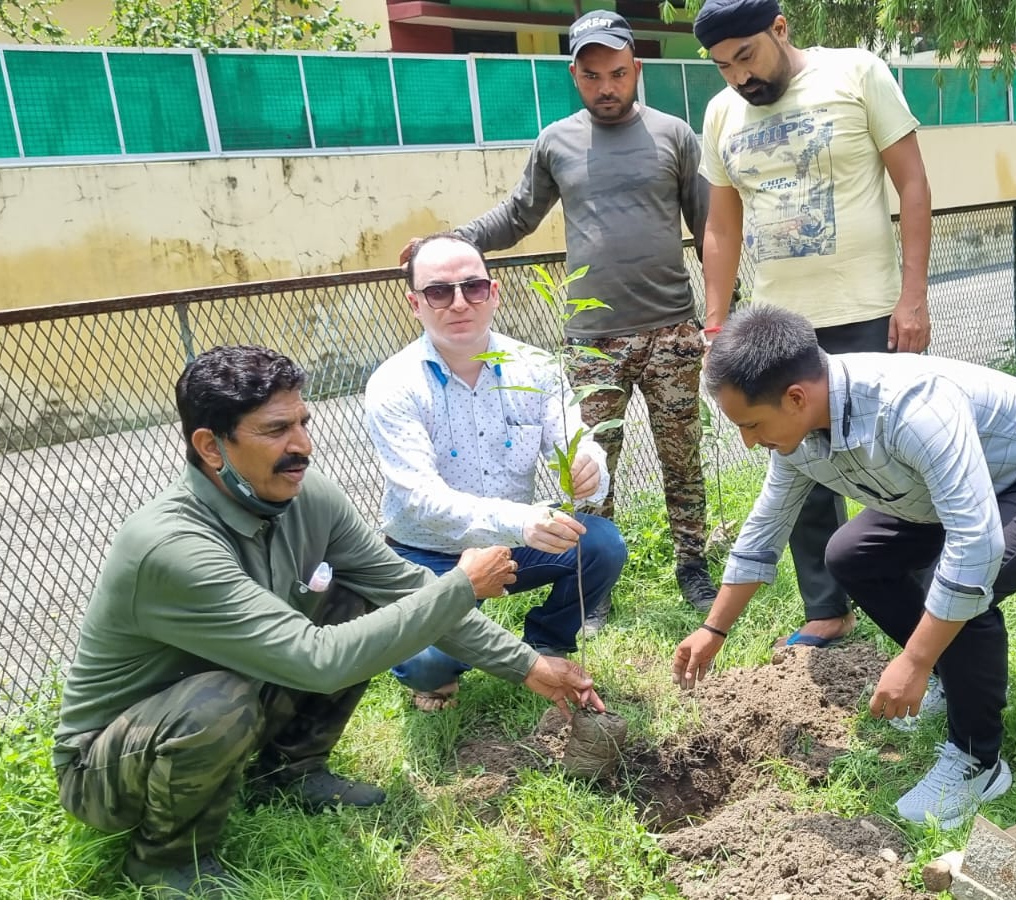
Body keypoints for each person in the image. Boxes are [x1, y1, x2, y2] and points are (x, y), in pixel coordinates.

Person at [52, 345, 603, 898]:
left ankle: (288, 774)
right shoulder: (171, 547)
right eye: (276, 430)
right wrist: (461, 585)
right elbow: (318, 661)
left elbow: (403, 587)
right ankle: (166, 861)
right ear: (211, 447)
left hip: (237, 686)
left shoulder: (304, 497)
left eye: (302, 422)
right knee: (217, 701)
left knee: (352, 595)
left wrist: (530, 665)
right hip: (110, 766)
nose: (302, 447)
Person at [671, 305, 1016, 828]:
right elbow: (764, 530)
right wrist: (713, 628)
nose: (748, 440)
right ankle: (955, 675)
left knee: (958, 594)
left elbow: (975, 549)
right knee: (851, 555)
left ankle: (978, 759)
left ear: (795, 398)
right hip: (941, 492)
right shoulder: (798, 433)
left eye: (751, 424)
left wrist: (915, 660)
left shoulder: (909, 408)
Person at [452, 10, 718, 614]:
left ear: (636, 69)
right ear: (575, 75)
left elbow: (709, 231)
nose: (607, 87)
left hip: (672, 330)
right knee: (590, 468)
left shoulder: (674, 135)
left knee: (683, 459)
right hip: (594, 340)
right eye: (594, 75)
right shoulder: (556, 142)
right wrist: (454, 242)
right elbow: (518, 215)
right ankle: (592, 582)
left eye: (619, 73)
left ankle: (693, 567)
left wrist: (723, 319)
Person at [691, 0, 934, 648]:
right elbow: (720, 223)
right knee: (795, 463)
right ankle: (827, 611)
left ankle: (920, 610)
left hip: (869, 310)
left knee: (898, 464)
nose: (738, 76)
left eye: (746, 56)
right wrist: (717, 323)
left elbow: (911, 182)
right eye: (722, 66)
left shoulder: (856, 74)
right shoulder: (721, 115)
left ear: (779, 29)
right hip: (777, 325)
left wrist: (913, 296)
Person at [365, 234, 629, 712]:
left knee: (601, 544)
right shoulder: (395, 385)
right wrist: (521, 521)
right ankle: (444, 662)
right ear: (415, 304)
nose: (459, 302)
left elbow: (575, 437)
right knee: (426, 665)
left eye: (473, 287)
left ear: (495, 292)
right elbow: (421, 498)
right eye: (439, 292)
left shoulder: (536, 367)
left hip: (517, 544)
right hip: (432, 554)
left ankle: (547, 644)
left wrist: (590, 465)